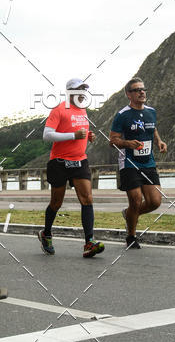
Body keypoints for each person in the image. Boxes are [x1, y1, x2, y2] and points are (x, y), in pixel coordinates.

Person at [38, 78, 105, 259]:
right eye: (79, 90)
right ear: (69, 92)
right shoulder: (59, 109)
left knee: (87, 199)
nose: (82, 94)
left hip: (80, 161)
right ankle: (46, 234)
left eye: (84, 90)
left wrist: (87, 136)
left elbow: (78, 130)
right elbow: (47, 135)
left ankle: (89, 242)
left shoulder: (83, 111)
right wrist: (74, 135)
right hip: (59, 162)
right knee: (56, 203)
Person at [109, 77, 167, 250]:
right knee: (135, 200)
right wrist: (127, 143)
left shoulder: (151, 112)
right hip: (129, 163)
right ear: (129, 94)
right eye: (137, 90)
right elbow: (112, 140)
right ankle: (131, 236)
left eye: (143, 89)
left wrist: (159, 142)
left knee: (155, 201)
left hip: (148, 162)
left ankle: (129, 214)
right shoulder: (122, 115)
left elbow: (153, 128)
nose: (142, 92)